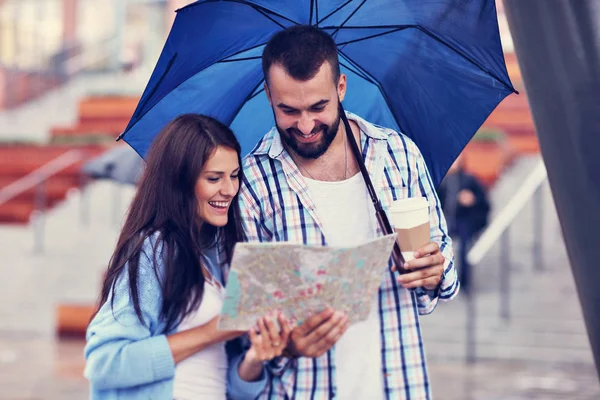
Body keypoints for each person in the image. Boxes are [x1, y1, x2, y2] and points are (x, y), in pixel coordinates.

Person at [236, 26, 460, 399]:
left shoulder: (398, 155)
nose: (305, 126)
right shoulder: (253, 182)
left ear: (340, 88)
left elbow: (443, 280)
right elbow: (251, 327)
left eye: (318, 107)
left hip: (399, 385)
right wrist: (287, 344)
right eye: (288, 110)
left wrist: (434, 271)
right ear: (268, 96)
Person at [84, 114, 291, 400]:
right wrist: (217, 328)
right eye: (214, 178)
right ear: (179, 181)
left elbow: (221, 381)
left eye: (234, 175)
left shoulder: (214, 258)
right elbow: (105, 364)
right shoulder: (153, 252)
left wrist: (254, 359)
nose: (230, 190)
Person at [437, 154, 490, 293]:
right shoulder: (443, 180)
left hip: (463, 221)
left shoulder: (469, 179)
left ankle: (464, 283)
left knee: (464, 248)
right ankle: (441, 282)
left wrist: (472, 199)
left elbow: (484, 201)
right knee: (438, 247)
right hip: (446, 221)